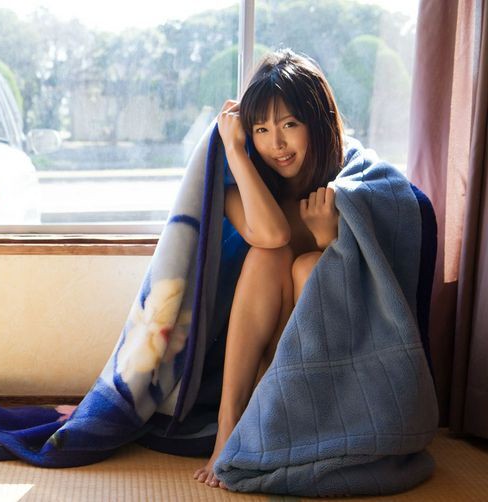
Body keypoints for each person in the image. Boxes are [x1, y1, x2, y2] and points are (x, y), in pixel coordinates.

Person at [192, 48, 345, 489]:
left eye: (289, 125)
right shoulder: (238, 188)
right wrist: (235, 152)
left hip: (324, 369)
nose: (276, 144)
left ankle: (282, 420)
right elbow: (273, 234)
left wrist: (327, 241)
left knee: (311, 265)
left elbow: (358, 288)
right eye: (261, 129)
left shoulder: (346, 184)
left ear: (317, 122)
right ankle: (229, 429)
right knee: (268, 254)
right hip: (258, 356)